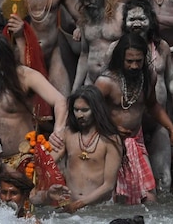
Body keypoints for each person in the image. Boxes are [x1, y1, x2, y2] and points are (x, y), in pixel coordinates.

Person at [95, 34, 173, 204]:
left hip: (136, 142)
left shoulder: (148, 77)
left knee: (150, 199)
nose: (134, 66)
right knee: (114, 198)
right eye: (129, 61)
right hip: (109, 142)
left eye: (138, 61)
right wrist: (111, 128)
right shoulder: (105, 82)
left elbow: (153, 105)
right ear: (120, 58)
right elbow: (90, 111)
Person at [120, 0, 173, 192]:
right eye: (131, 19)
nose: (136, 23)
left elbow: (172, 80)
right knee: (134, 186)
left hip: (159, 122)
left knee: (164, 180)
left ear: (150, 20)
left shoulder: (161, 47)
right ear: (124, 22)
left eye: (141, 19)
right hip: (131, 127)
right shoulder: (117, 49)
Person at [0, 32, 67, 165]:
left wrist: (58, 131)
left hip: (22, 160)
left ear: (5, 59)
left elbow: (60, 101)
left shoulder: (25, 76)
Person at [50, 85, 122, 213]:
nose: (79, 115)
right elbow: (48, 163)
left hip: (99, 210)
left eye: (84, 110)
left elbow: (108, 185)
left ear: (96, 110)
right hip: (69, 207)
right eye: (76, 110)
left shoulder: (111, 140)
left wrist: (79, 204)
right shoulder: (67, 134)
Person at [72, 0, 125, 90]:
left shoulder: (122, 13)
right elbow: (84, 55)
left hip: (117, 82)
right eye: (82, 0)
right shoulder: (85, 18)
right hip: (91, 82)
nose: (86, 4)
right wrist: (75, 89)